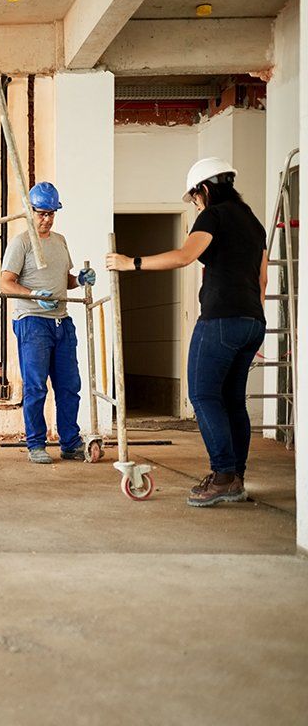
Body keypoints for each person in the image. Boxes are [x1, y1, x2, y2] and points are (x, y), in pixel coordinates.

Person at [106, 157, 267, 507]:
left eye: (194, 198)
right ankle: (235, 477)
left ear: (204, 190)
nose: (195, 204)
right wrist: (250, 327)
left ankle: (224, 476)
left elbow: (184, 256)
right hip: (252, 321)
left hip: (221, 320)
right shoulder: (254, 223)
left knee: (203, 395)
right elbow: (261, 280)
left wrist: (130, 262)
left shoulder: (213, 215)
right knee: (232, 401)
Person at [0, 182, 96, 463]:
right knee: (36, 387)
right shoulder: (21, 243)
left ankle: (70, 443)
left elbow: (64, 280)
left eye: (52, 213)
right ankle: (36, 444)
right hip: (33, 323)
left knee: (69, 386)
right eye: (42, 213)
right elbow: (5, 282)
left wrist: (80, 280)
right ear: (30, 211)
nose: (47, 219)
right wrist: (33, 296)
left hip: (61, 323)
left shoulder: (60, 241)